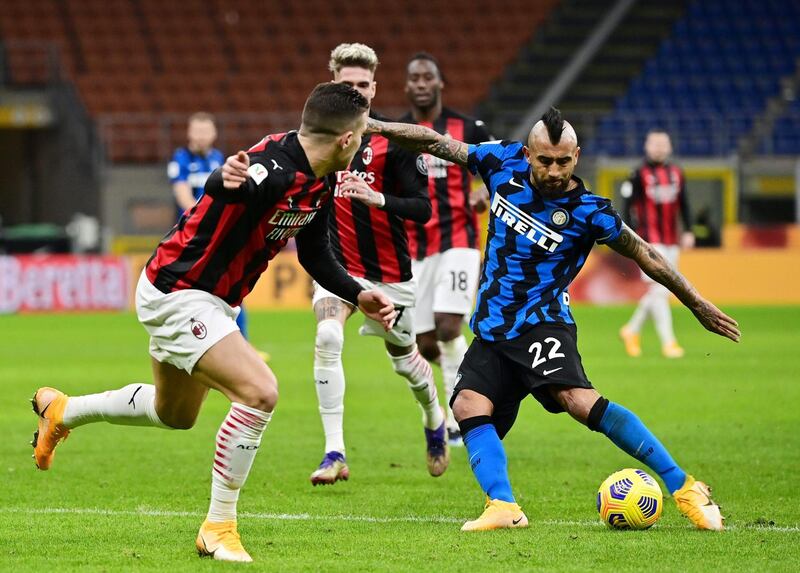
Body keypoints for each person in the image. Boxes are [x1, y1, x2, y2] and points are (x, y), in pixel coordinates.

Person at [30, 83, 396, 563]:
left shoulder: (324, 177)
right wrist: (223, 179)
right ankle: (218, 526)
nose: (366, 142)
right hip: (180, 291)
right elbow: (227, 187)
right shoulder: (273, 164)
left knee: (174, 415)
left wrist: (357, 292)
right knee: (260, 391)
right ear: (347, 139)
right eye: (364, 133)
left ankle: (63, 411)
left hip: (212, 299)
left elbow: (313, 251)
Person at [365, 108, 740, 532]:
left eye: (564, 161)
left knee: (578, 401)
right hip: (492, 329)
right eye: (545, 160)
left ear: (577, 156)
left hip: (543, 323)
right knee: (468, 404)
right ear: (527, 154)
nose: (555, 170)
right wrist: (375, 126)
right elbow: (434, 141)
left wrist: (697, 304)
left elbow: (646, 254)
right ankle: (503, 507)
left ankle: (685, 487)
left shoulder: (588, 211)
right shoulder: (500, 162)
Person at [222, 43, 447, 485]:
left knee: (406, 361)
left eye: (364, 85)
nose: (357, 93)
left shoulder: (394, 143)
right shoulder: (319, 138)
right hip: (337, 266)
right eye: (348, 86)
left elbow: (423, 210)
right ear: (332, 86)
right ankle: (334, 452)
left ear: (375, 88)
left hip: (390, 273)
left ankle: (434, 416)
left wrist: (378, 197)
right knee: (327, 336)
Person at [401, 52, 493, 446]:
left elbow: (504, 167)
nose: (421, 83)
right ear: (407, 87)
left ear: (440, 84)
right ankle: (473, 378)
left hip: (459, 240)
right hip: (415, 247)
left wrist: (483, 188)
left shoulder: (468, 126)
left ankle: (460, 415)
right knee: (422, 343)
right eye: (415, 78)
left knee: (449, 325)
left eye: (428, 77)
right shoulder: (397, 131)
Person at [167, 113, 259, 351]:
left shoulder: (218, 158)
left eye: (206, 131)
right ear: (189, 133)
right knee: (197, 293)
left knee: (232, 287)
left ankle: (241, 346)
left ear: (214, 134)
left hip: (217, 235)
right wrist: (206, 219)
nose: (201, 136)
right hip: (192, 236)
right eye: (197, 131)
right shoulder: (181, 159)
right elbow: (183, 195)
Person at [619, 129, 695, 358]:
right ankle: (669, 343)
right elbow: (626, 206)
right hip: (649, 241)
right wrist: (629, 236)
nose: (659, 148)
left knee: (662, 290)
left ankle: (631, 330)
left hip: (671, 240)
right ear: (647, 146)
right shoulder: (637, 173)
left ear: (670, 147)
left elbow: (685, 203)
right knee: (660, 289)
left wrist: (689, 230)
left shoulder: (676, 172)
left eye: (664, 143)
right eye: (655, 143)